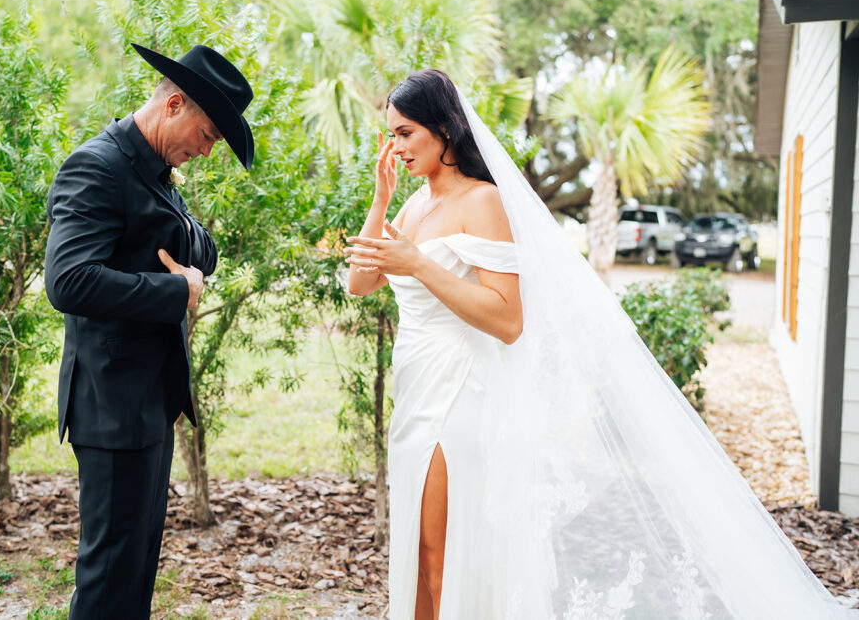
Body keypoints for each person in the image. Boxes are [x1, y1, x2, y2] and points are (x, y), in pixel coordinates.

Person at [344, 69, 856, 619]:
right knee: (416, 557)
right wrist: (381, 201)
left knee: (442, 555)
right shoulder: (414, 206)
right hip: (414, 394)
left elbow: (508, 319)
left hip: (457, 395)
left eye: (405, 133)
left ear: (444, 129)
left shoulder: (482, 202)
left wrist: (419, 264)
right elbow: (362, 282)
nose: (395, 147)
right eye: (391, 135)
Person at [44, 43, 253, 619]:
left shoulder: (158, 169)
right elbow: (68, 282)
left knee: (135, 574)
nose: (206, 152)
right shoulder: (97, 165)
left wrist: (187, 261)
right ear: (175, 104)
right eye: (208, 136)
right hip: (111, 405)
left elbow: (200, 246)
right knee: (109, 578)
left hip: (151, 404)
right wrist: (176, 290)